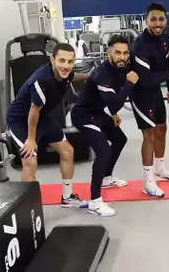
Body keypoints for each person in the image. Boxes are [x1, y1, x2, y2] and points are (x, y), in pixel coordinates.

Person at [6, 43, 90, 208]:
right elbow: (33, 111)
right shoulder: (41, 80)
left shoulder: (65, 73)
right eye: (62, 61)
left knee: (68, 151)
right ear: (52, 59)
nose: (66, 66)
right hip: (21, 120)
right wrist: (31, 139)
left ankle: (67, 197)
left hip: (42, 117)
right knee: (30, 160)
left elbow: (72, 77)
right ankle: (27, 209)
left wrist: (89, 76)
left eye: (70, 62)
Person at [71, 34, 138, 216]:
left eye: (125, 53)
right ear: (109, 53)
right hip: (83, 116)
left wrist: (113, 114)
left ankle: (107, 177)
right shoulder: (103, 74)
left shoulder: (119, 69)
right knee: (103, 151)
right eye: (117, 53)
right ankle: (95, 201)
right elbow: (115, 102)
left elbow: (109, 101)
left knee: (120, 139)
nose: (122, 57)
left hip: (99, 113)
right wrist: (130, 84)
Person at [131, 2, 169, 198]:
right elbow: (145, 80)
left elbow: (163, 64)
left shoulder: (164, 38)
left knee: (162, 128)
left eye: (161, 19)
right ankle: (148, 181)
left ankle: (159, 168)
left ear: (166, 20)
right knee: (149, 136)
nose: (158, 23)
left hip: (155, 91)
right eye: (153, 19)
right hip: (140, 92)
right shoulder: (140, 44)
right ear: (146, 21)